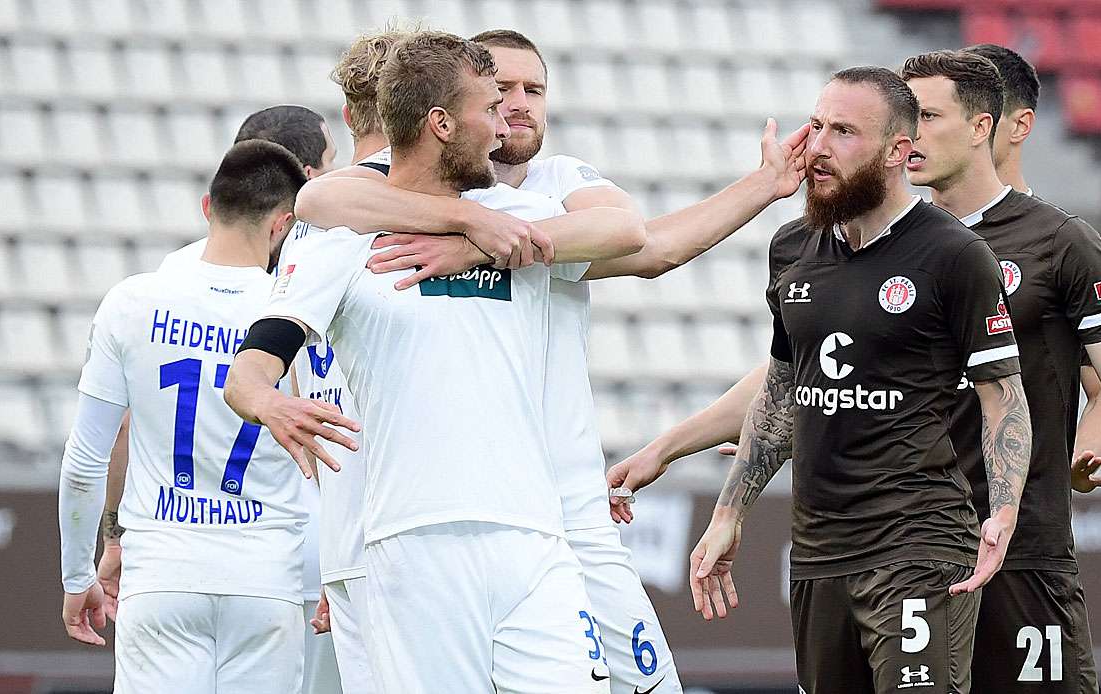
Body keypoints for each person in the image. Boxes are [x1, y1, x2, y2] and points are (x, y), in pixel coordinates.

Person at [294, 28, 807, 694]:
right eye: (499, 90)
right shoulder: (369, 201)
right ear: (447, 110)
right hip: (409, 527)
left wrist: (488, 240)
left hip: (555, 514)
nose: (516, 106)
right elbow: (321, 205)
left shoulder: (554, 188)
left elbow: (647, 244)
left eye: (533, 90)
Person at [224, 31, 644, 693]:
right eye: (489, 105)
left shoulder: (520, 216)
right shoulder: (344, 236)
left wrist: (479, 240)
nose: (505, 119)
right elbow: (251, 365)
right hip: (411, 545)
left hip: (534, 540)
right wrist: (271, 402)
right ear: (441, 124)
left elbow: (631, 232)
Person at [686, 66, 1032, 693]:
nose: (818, 146)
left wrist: (1004, 509)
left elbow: (1001, 393)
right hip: (817, 553)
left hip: (919, 544)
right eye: (816, 126)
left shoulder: (954, 254)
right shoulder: (793, 247)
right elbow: (783, 392)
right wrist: (728, 513)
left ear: (899, 151)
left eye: (843, 132)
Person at [901, 50, 1101, 693]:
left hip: (1024, 546)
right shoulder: (892, 243)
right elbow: (811, 364)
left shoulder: (1061, 243)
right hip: (908, 547)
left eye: (930, 115)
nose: (915, 133)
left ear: (1002, 123)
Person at [97, 102, 346, 694]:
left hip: (178, 551)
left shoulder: (167, 279)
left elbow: (127, 424)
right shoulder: (325, 278)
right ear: (307, 184)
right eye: (332, 165)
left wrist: (115, 536)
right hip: (296, 553)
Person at [961, 43, 1101, 492]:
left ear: (1019, 125)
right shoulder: (907, 240)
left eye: (979, 116)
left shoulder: (1060, 243)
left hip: (1025, 528)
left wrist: (1075, 456)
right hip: (912, 525)